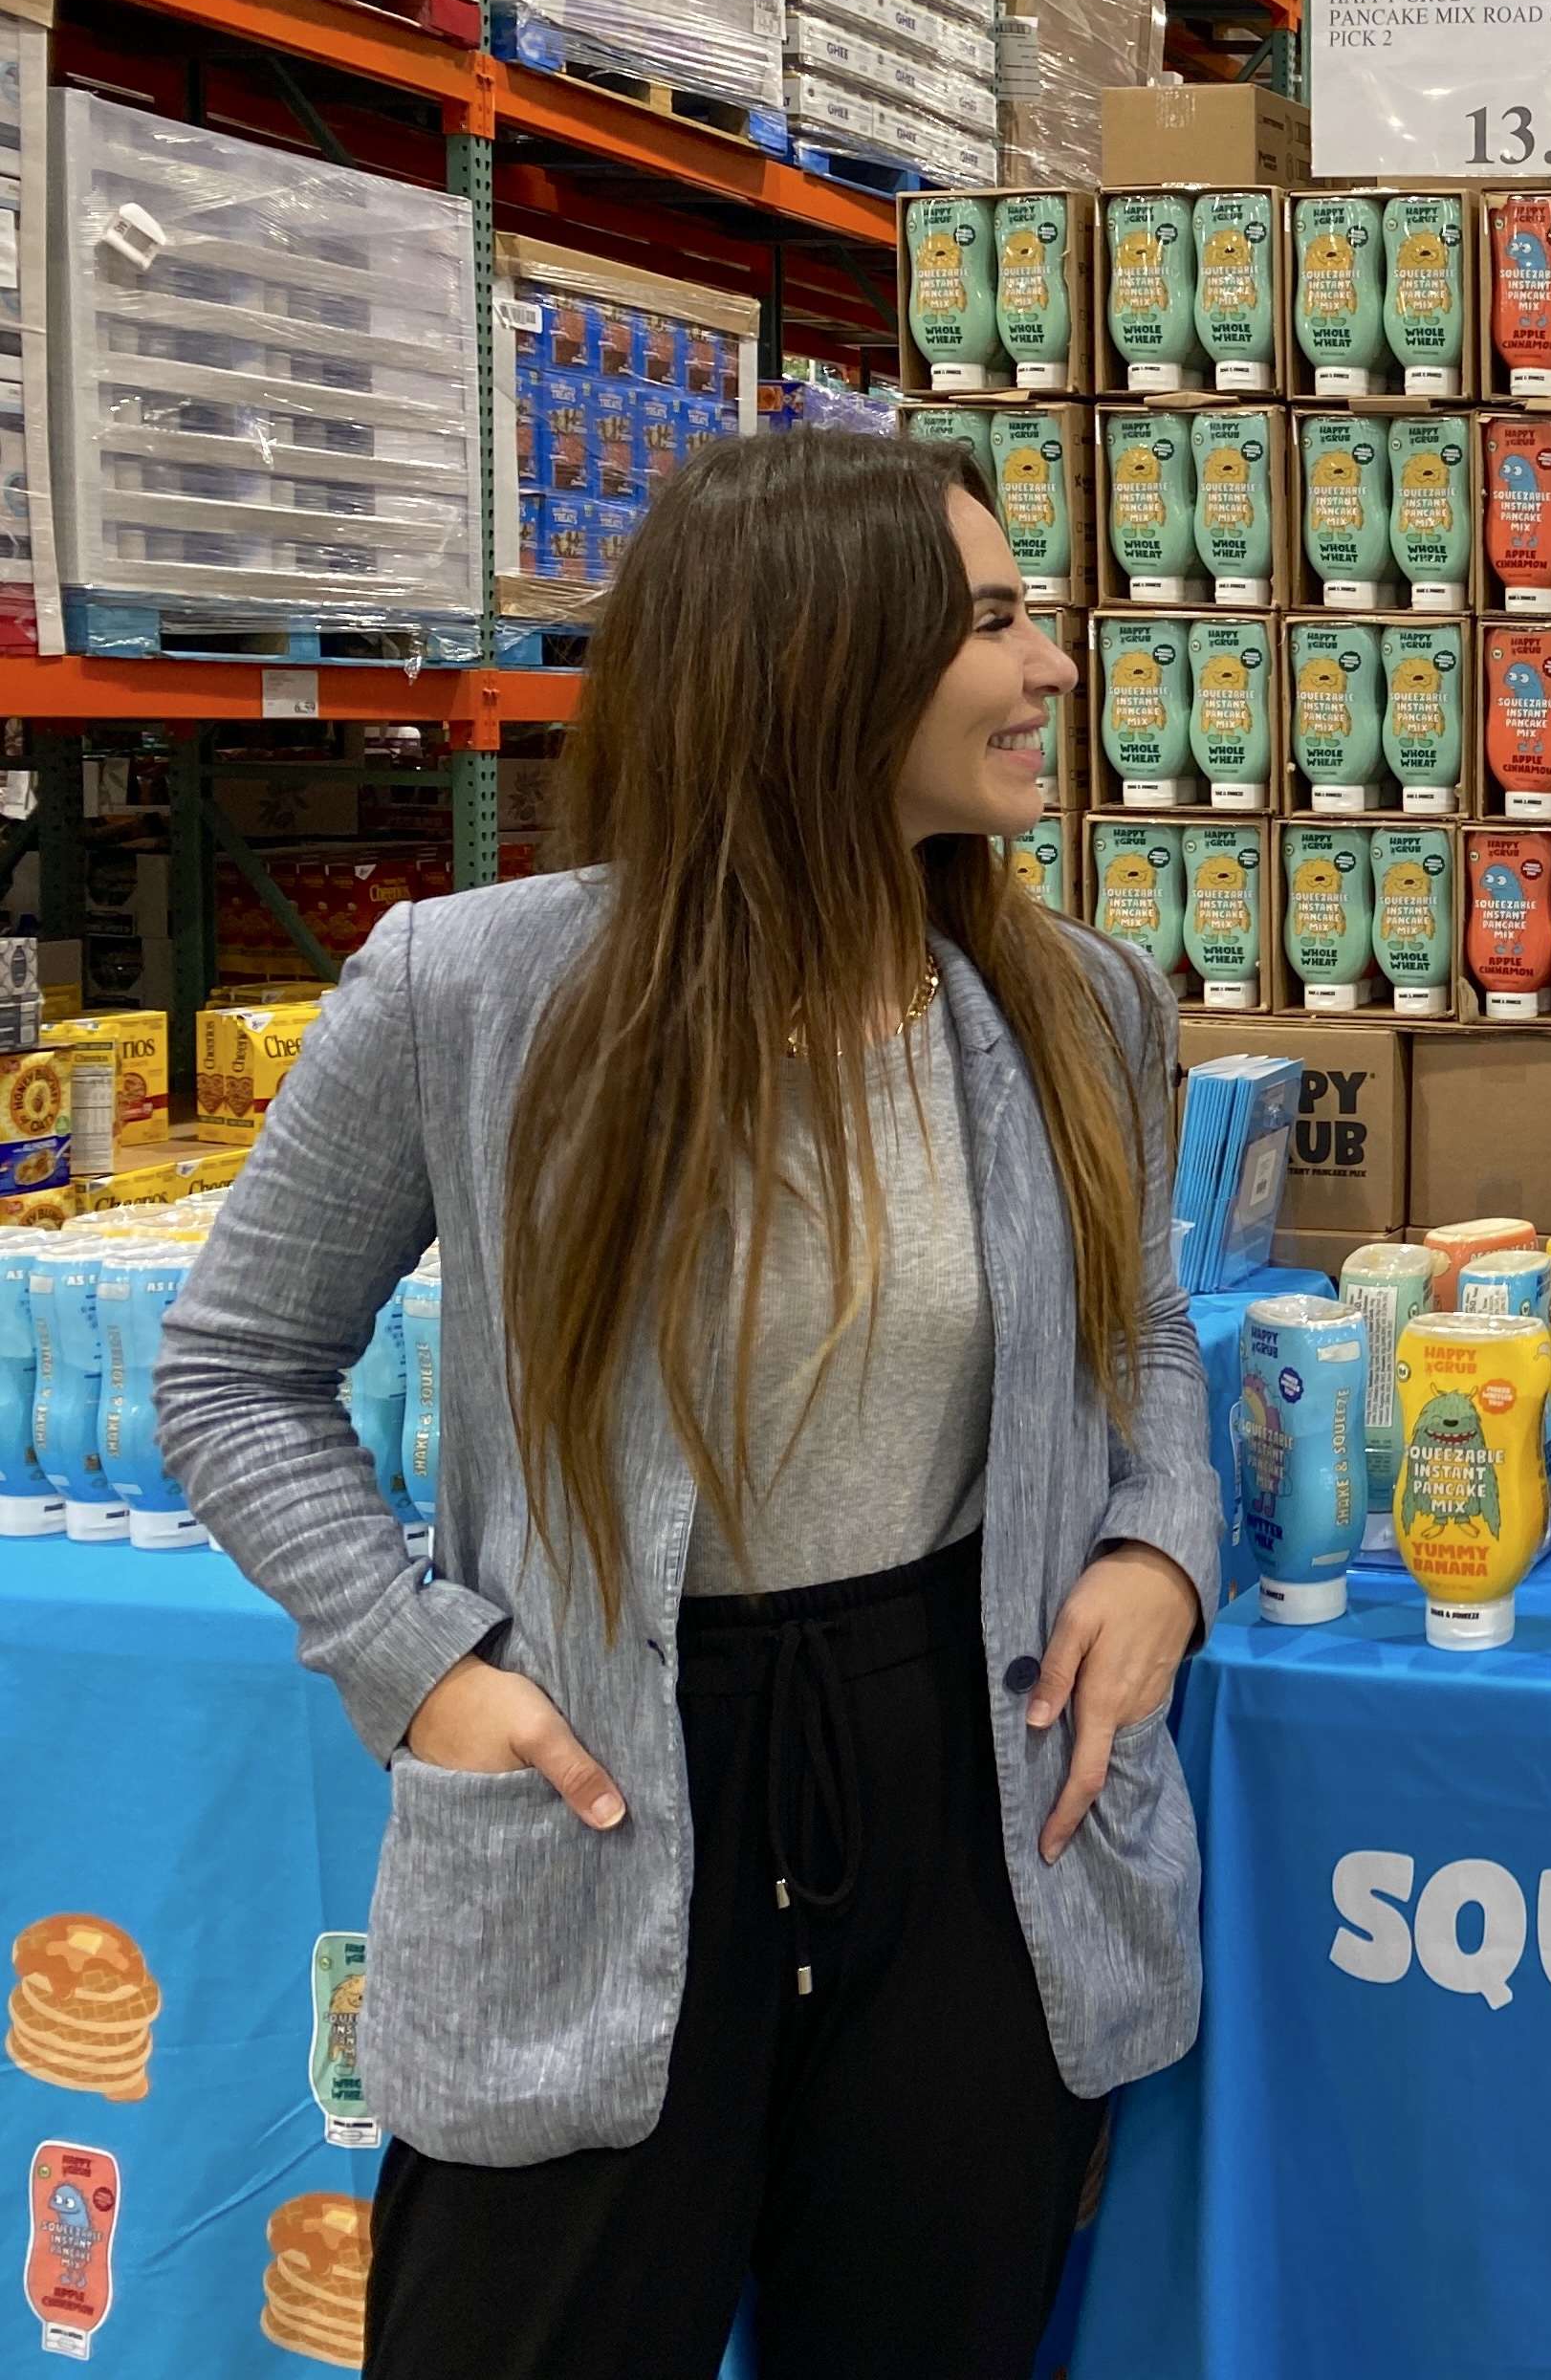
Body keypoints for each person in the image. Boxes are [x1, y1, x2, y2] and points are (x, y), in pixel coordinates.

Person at [156, 432, 1220, 2378]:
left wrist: (1160, 1545)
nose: (1054, 667)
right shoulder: (470, 990)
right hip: (599, 1772)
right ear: (812, 661)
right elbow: (233, 1372)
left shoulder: (1077, 1004)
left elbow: (1139, 1323)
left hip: (969, 1782)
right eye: (994, 622)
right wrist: (420, 1664)